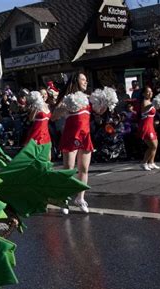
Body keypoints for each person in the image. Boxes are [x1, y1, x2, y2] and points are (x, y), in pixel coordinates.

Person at [53, 72, 93, 213]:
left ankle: (80, 198)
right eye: (83, 79)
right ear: (75, 81)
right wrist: (65, 107)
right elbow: (54, 116)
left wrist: (105, 104)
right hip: (71, 136)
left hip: (85, 135)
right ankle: (64, 199)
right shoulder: (68, 98)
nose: (85, 82)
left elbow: (99, 111)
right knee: (69, 169)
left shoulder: (88, 98)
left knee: (84, 169)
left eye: (86, 80)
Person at [24, 89, 52, 159]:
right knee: (35, 157)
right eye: (41, 94)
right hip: (37, 133)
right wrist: (37, 106)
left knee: (48, 158)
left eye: (45, 94)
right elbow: (31, 119)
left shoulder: (48, 105)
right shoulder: (35, 105)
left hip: (46, 133)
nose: (44, 96)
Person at [137, 86, 160, 170]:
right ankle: (144, 163)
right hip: (146, 126)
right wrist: (153, 104)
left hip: (151, 126)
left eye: (151, 91)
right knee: (152, 146)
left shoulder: (150, 101)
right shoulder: (144, 102)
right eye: (148, 92)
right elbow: (144, 110)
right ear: (143, 94)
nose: (150, 93)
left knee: (156, 145)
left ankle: (151, 162)